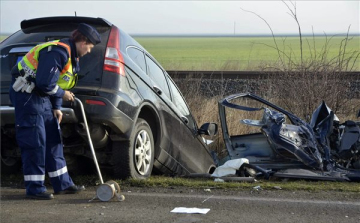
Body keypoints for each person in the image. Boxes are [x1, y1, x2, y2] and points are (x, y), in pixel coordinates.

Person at [9, 23, 101, 200]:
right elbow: (46, 83)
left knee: (53, 139)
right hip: (28, 99)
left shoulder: (70, 55)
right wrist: (62, 95)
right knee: (35, 143)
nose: (89, 51)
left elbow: (57, 82)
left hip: (42, 99)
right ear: (82, 41)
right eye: (89, 47)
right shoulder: (57, 52)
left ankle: (63, 184)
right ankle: (35, 189)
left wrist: (56, 107)